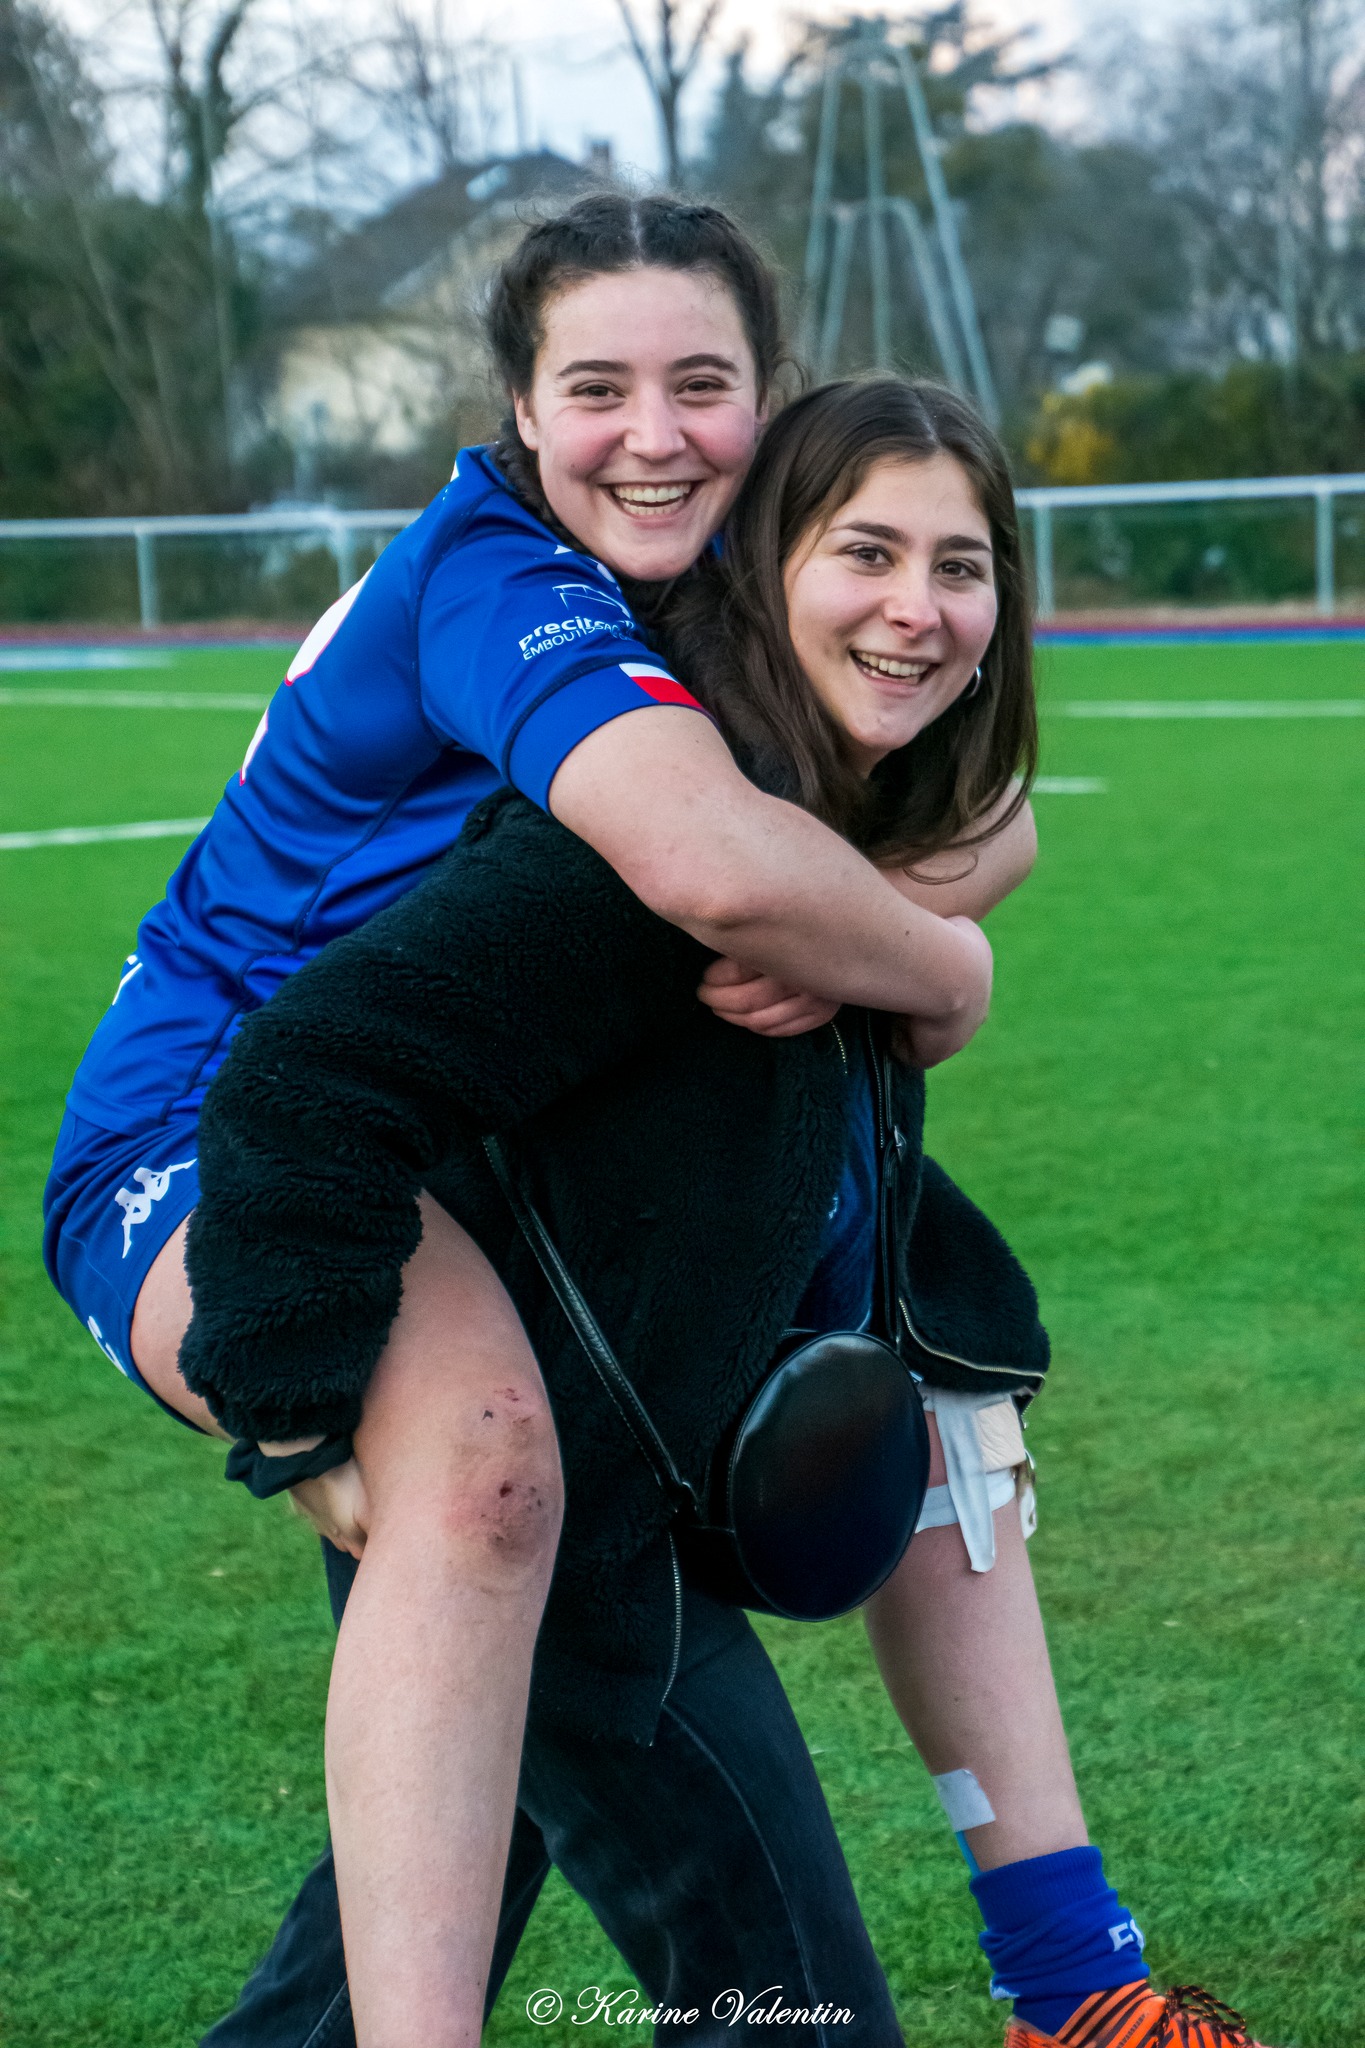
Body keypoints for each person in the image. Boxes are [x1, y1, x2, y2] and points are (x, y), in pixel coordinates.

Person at [182, 380, 1267, 2048]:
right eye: (867, 554)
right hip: (564, 1540)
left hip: (629, 1495)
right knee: (796, 2015)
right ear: (765, 566)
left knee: (370, 1973)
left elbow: (976, 850)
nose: (919, 608)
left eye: (962, 567)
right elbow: (302, 1078)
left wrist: (932, 947)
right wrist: (309, 1422)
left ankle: (1076, 1997)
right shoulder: (656, 851)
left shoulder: (844, 835)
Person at [41, 198, 994, 2048]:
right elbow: (713, 860)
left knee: (506, 1695)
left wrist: (888, 908)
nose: (654, 432)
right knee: (486, 1479)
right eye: (598, 386)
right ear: (516, 407)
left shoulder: (710, 590)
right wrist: (943, 976)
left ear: (766, 398)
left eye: (702, 384)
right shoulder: (510, 577)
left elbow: (951, 796)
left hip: (432, 1153)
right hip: (216, 1134)